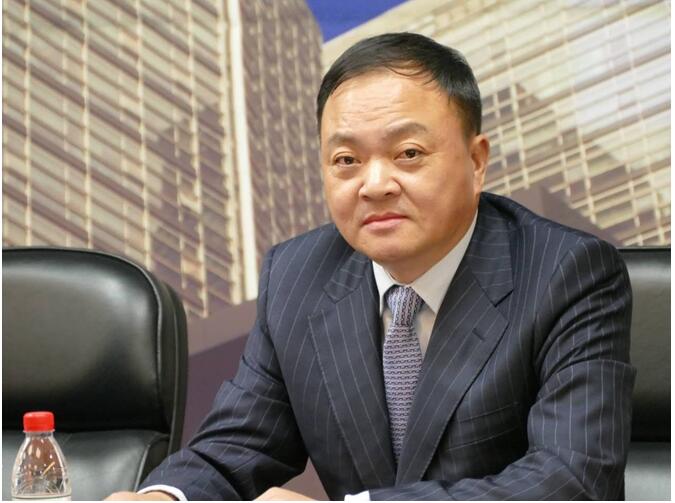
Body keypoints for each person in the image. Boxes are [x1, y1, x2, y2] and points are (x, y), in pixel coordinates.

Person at [107, 32, 634, 501]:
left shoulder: (566, 272)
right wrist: (166, 497)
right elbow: (236, 448)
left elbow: (573, 480)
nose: (374, 184)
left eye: (408, 153)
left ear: (476, 162)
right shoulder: (297, 276)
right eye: (346, 161)